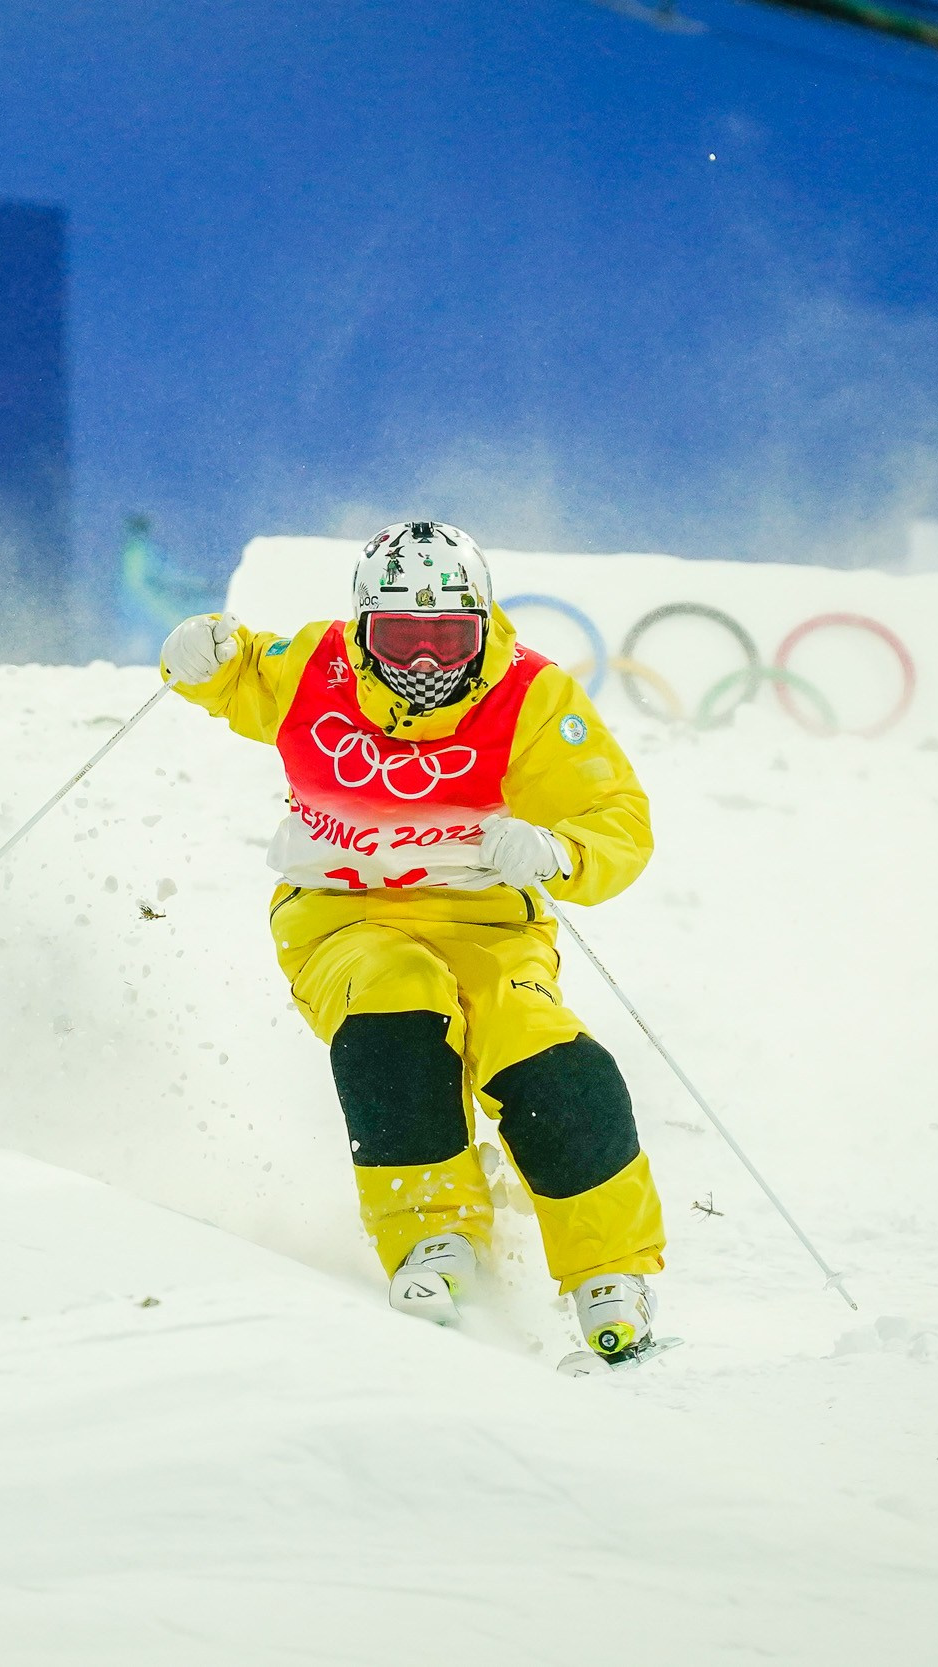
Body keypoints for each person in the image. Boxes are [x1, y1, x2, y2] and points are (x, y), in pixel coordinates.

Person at [159, 520, 667, 1365]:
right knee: (398, 1006)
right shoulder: (317, 666)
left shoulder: (529, 698)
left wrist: (559, 852)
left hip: (485, 922)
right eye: (401, 637)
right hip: (340, 916)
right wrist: (198, 660)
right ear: (362, 627)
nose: (425, 664)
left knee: (541, 1050)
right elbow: (238, 671)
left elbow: (615, 814)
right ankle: (434, 1235)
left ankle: (610, 1270)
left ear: (483, 625)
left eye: (447, 637)